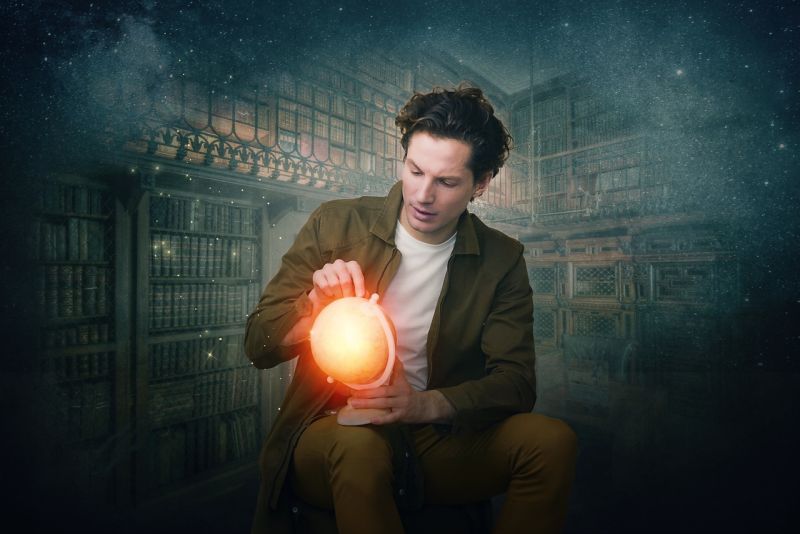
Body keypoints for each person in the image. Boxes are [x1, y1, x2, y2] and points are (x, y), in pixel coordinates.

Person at [245, 85, 577, 534]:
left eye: (446, 181)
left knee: (551, 443)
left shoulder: (503, 259)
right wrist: (313, 310)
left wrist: (423, 406)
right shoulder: (336, 221)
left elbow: (517, 385)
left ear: (480, 185)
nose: (422, 195)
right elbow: (258, 342)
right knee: (359, 448)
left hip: (433, 434)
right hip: (334, 427)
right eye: (415, 171)